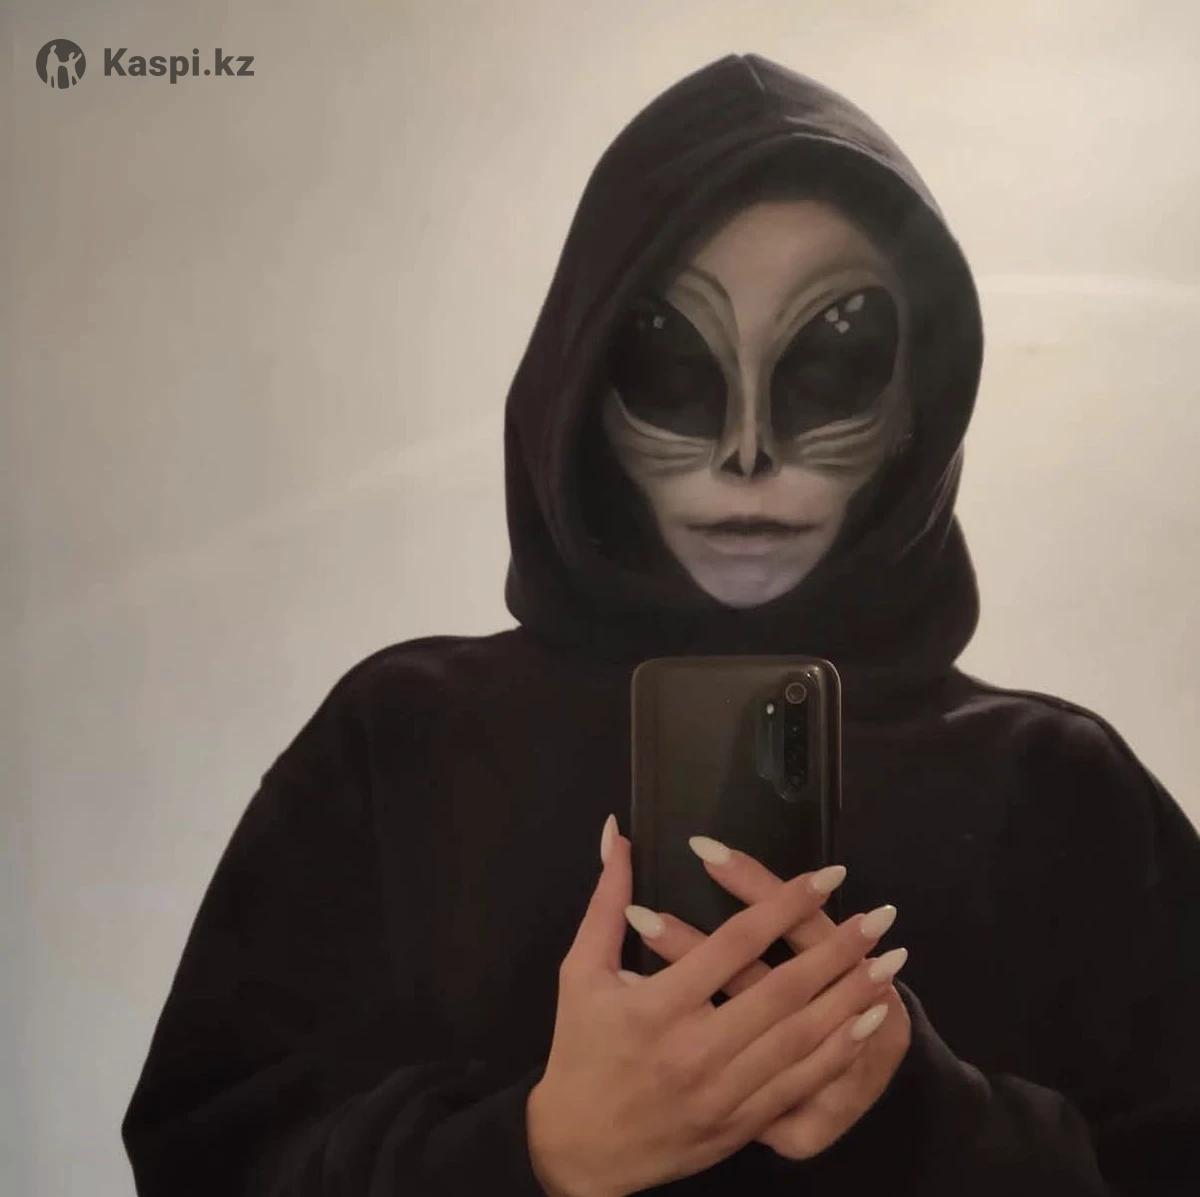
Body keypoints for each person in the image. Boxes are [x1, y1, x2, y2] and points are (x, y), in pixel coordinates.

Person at [121, 52, 1200, 1195]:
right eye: (666, 360)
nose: (748, 450)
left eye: (835, 358)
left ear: (913, 408)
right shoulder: (401, 740)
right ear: (582, 390)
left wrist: (932, 1123)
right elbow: (205, 1162)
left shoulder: (1057, 787)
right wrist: (538, 1151)